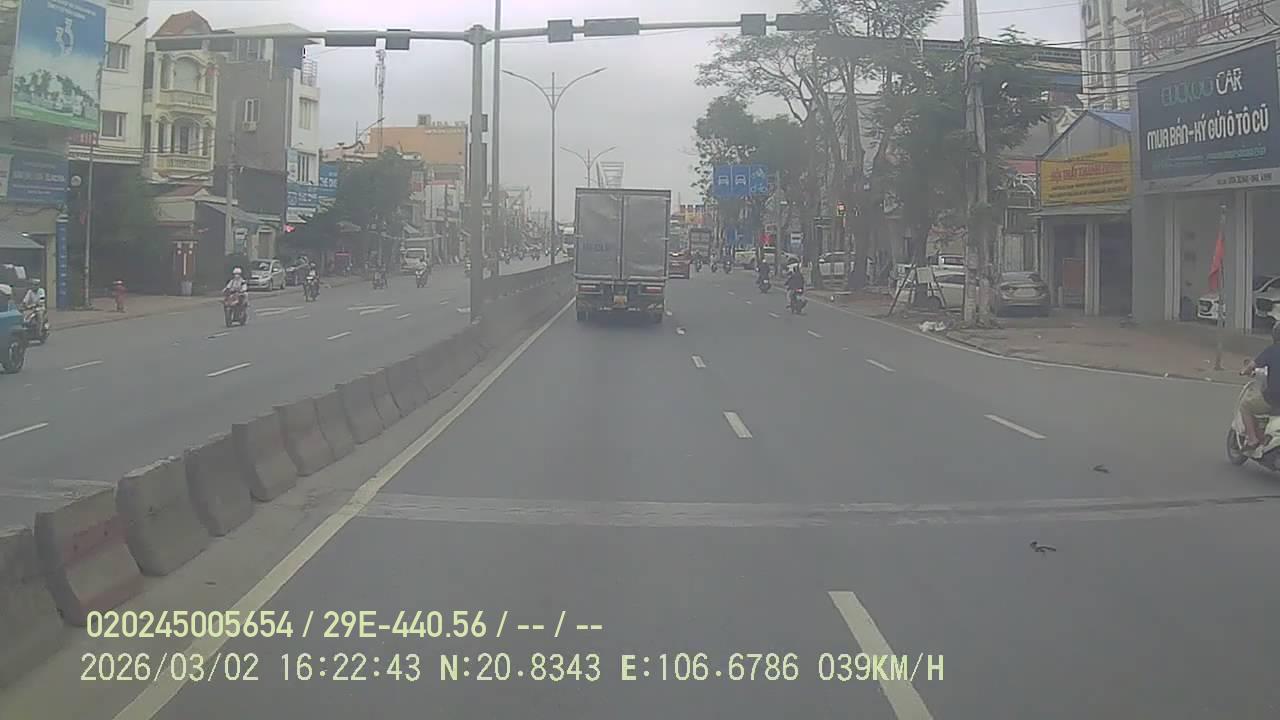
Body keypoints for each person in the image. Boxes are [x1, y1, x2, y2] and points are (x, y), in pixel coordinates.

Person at [1239, 323, 1280, 449]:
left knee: (1245, 406)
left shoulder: (1271, 350)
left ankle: (1252, 440)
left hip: (1273, 399)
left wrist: (1244, 371)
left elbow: (1252, 365)